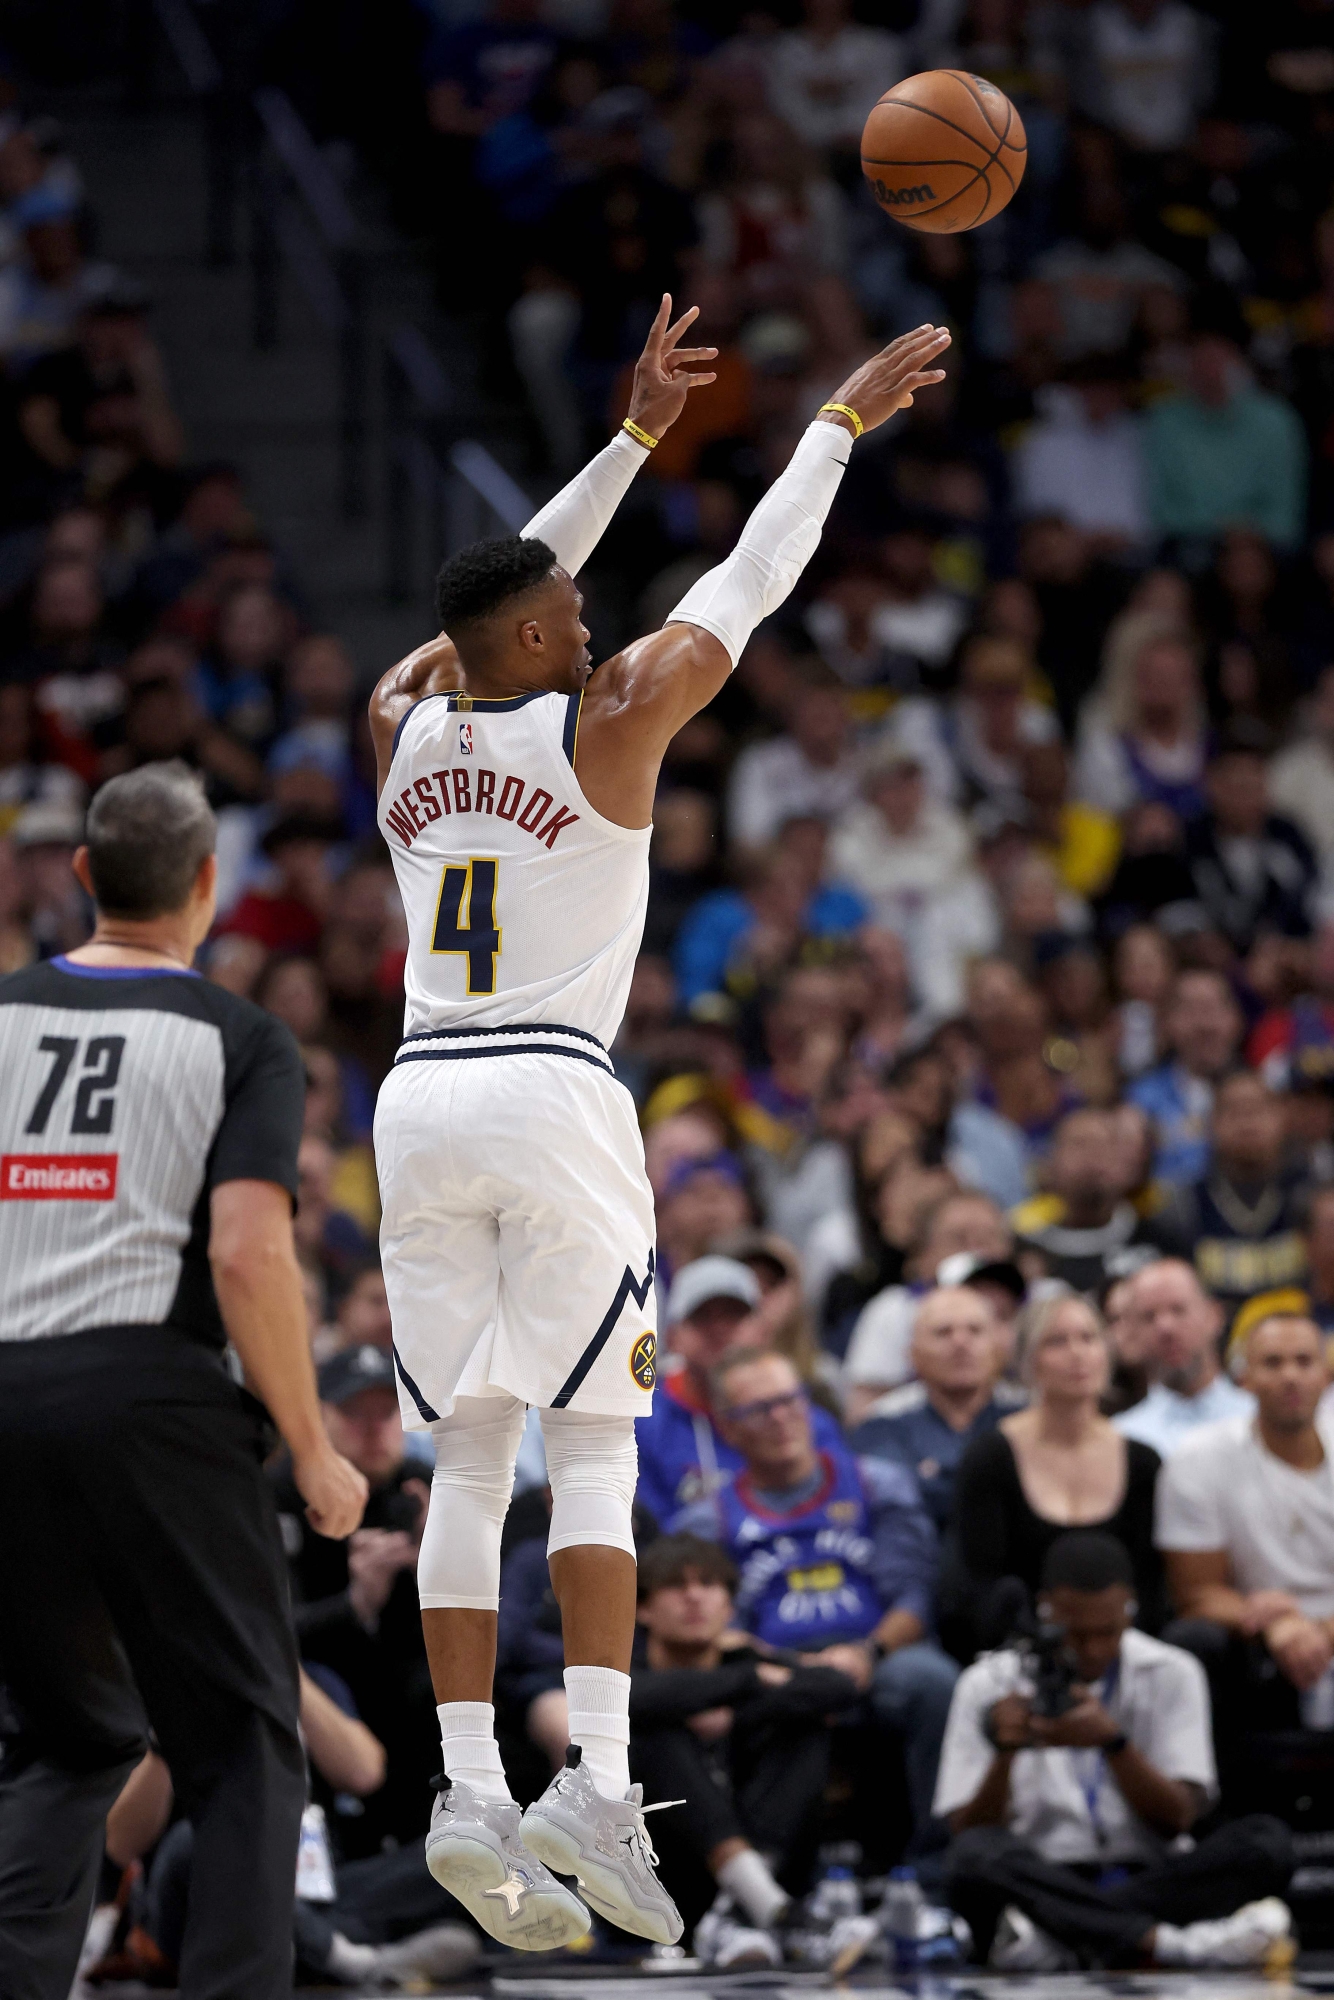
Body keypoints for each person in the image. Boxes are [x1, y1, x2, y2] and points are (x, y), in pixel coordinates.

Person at [366, 301, 953, 1949]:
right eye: (565, 606)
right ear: (544, 639)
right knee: (598, 1443)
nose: (584, 603)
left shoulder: (400, 721)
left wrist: (626, 441)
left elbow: (490, 588)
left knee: (465, 1457)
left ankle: (469, 1782)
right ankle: (601, 1785)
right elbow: (752, 580)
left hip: (417, 1099)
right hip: (552, 1085)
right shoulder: (608, 710)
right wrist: (830, 424)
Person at [0, 763, 366, 2000]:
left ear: (87, 877)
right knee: (248, 1743)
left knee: (66, 1735)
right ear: (210, 886)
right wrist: (313, 1447)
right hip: (152, 1397)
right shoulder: (239, 1035)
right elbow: (249, 1250)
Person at [936, 1532, 1294, 1972]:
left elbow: (1177, 1819)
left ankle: (1063, 1940)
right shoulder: (986, 1682)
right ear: (1046, 1610)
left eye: (1107, 1633)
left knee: (1267, 1843)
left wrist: (1114, 1744)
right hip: (1039, 1873)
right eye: (1076, 1635)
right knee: (973, 1858)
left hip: (1144, 1874)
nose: (1093, 1650)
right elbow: (965, 1829)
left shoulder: (1173, 1671)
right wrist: (1006, 1754)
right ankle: (1171, 1944)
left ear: (1130, 1609)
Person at [676, 1347, 959, 1843]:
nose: (781, 1417)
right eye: (760, 1409)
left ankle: (935, 1868)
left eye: (790, 1400)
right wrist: (789, 1669)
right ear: (728, 1427)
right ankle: (775, 1881)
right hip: (774, 1666)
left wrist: (866, 1653)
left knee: (932, 1682)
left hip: (877, 1655)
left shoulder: (876, 1484)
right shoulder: (710, 1520)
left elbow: (913, 1597)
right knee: (761, 1698)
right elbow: (721, 1626)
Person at [628, 1535, 864, 1967]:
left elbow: (838, 1688)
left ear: (730, 1608)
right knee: (654, 1731)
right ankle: (766, 1908)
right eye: (675, 1586)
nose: (694, 1596)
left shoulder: (748, 1664)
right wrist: (751, 1679)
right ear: (643, 1608)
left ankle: (746, 1909)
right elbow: (633, 1700)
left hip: (773, 1858)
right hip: (668, 1878)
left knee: (803, 1723)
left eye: (709, 1584)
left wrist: (739, 1714)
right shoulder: (631, 1675)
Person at [1156, 1311, 1334, 1757]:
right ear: (1244, 1378)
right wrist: (1276, 1623)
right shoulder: (1198, 1459)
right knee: (1194, 1640)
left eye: (1303, 1361)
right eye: (1272, 1363)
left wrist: (1325, 1631)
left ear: (1326, 1375)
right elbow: (1196, 1594)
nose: (1290, 1376)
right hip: (1254, 1638)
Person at [956, 1293, 1165, 1633]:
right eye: (1057, 1342)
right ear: (1028, 1359)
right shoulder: (990, 1458)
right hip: (1017, 1645)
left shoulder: (1142, 1461)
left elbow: (1152, 1587)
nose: (1077, 1353)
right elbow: (979, 1586)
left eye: (1088, 1338)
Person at [850, 1284, 1026, 1532]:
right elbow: (895, 1509)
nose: (961, 1343)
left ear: (998, 1350)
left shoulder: (1026, 1418)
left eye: (975, 1331)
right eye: (943, 1332)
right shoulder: (881, 1426)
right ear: (913, 1355)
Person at [843, 1189, 1021, 1423]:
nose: (975, 1249)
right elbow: (864, 1414)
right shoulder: (895, 1309)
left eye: (988, 1237)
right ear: (923, 1255)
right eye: (958, 1238)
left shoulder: (1041, 1298)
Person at [1150, 1068, 1308, 1315]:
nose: (1247, 1121)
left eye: (1258, 1109)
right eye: (1233, 1111)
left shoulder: (1310, 1196)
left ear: (1282, 1117)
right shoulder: (1182, 1205)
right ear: (1211, 1124)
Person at [1113, 1258, 1253, 1457]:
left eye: (1178, 1309)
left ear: (1214, 1316)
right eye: (1148, 1316)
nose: (1165, 1327)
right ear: (1132, 1331)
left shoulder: (1262, 1420)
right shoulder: (1122, 1439)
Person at [1011, 1107, 1156, 1294]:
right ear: (1051, 1165)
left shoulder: (1157, 1243)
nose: (1092, 1157)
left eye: (1103, 1146)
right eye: (1079, 1145)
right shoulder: (1025, 1254)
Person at [1126, 968, 1243, 1186]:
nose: (1205, 1025)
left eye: (1214, 1008)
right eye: (1192, 1010)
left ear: (1235, 1019)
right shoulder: (1142, 1100)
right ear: (1167, 1022)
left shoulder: (1264, 1090)